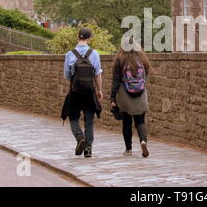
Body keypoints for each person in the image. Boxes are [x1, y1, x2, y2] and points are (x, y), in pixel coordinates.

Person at [63, 28, 103, 158]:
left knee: (73, 116)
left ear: (77, 37)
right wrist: (99, 90)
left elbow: (67, 75)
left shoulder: (70, 54)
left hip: (75, 91)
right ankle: (88, 149)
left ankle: (80, 138)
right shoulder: (94, 53)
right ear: (89, 38)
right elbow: (97, 74)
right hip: (89, 91)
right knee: (89, 120)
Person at [110, 40, 150, 158]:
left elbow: (116, 81)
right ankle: (143, 141)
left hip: (124, 93)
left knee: (126, 122)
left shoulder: (120, 60)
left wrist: (113, 98)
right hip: (141, 93)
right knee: (140, 121)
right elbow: (145, 77)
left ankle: (128, 149)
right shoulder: (143, 60)